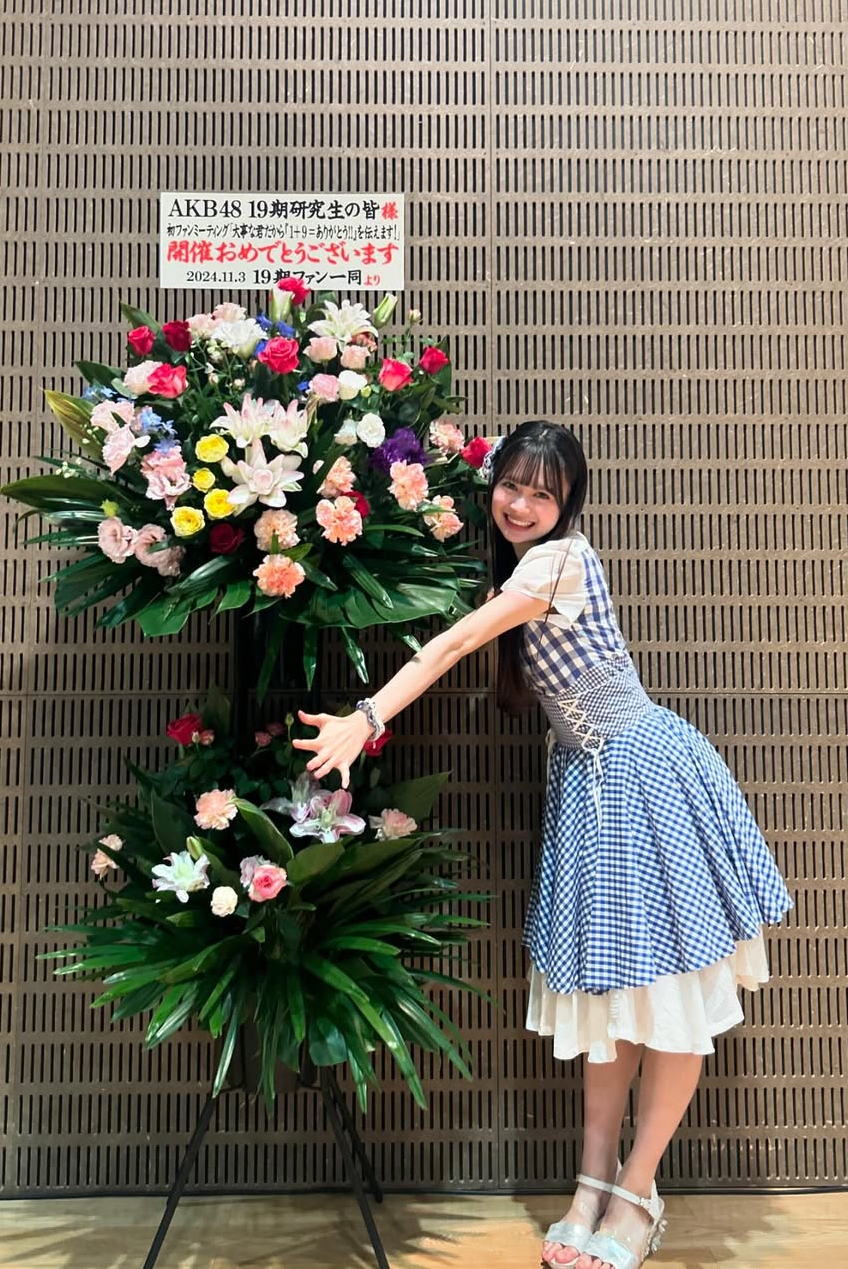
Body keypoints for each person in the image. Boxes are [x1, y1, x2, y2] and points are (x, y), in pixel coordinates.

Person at [294, 420, 792, 1269]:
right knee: (610, 999)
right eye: (511, 486)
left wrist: (366, 717)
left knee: (671, 995)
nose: (521, 505)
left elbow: (455, 643)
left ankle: (637, 1193)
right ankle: (592, 1185)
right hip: (593, 788)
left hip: (642, 778)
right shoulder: (522, 566)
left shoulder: (560, 562)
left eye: (542, 493)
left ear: (568, 505)